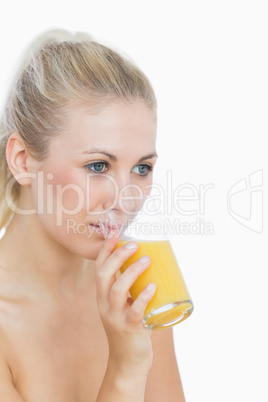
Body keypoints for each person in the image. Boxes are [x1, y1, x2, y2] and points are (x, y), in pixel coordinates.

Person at [0, 29, 186, 401]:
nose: (126, 198)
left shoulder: (134, 292)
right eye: (99, 166)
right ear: (22, 160)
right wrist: (125, 369)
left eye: (142, 168)